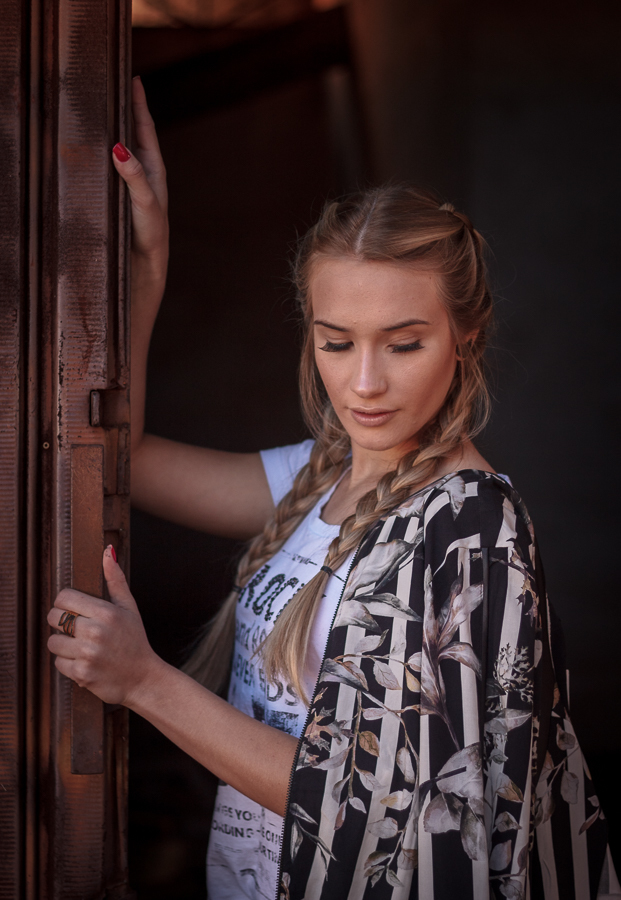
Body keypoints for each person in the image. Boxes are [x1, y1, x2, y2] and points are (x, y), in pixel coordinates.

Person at [47, 76, 619, 900]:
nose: (364, 383)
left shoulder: (469, 530)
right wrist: (149, 265)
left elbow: (377, 809)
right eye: (336, 342)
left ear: (466, 335)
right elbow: (120, 455)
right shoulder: (318, 473)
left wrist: (143, 682)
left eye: (403, 343)